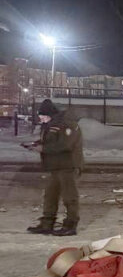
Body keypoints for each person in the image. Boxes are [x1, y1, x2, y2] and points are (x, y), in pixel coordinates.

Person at [25, 99, 83, 236]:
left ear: (51, 114)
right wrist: (36, 144)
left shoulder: (67, 124)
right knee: (50, 195)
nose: (42, 120)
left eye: (43, 117)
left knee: (69, 197)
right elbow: (51, 141)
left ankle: (70, 225)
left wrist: (43, 148)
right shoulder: (50, 124)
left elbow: (65, 145)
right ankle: (47, 223)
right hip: (55, 166)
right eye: (40, 117)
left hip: (68, 165)